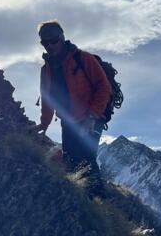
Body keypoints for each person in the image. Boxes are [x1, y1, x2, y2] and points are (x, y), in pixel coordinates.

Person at [33, 21, 111, 190]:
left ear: (62, 37)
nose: (50, 46)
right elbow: (47, 99)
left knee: (86, 160)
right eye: (45, 42)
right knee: (70, 161)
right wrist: (44, 123)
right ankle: (85, 199)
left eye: (53, 40)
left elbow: (104, 87)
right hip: (68, 122)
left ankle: (100, 205)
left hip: (91, 118)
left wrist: (92, 115)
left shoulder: (83, 58)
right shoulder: (46, 70)